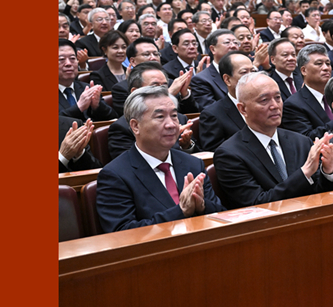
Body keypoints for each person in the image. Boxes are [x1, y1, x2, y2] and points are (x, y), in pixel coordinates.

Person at [96, 86, 224, 232]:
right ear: (135, 126)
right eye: (160, 117)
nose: (171, 124)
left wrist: (202, 207)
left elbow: (220, 214)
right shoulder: (115, 175)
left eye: (174, 116)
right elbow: (122, 232)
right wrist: (181, 211)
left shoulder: (193, 164)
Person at [213, 72, 333, 209]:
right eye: (264, 100)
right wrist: (304, 173)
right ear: (243, 109)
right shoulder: (229, 154)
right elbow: (255, 204)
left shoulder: (301, 142)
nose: (275, 105)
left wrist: (328, 172)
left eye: (278, 97)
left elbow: (321, 193)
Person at [107, 62, 198, 160]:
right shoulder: (122, 127)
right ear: (135, 92)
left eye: (164, 86)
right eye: (155, 87)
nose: (162, 92)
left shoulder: (179, 118)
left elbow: (200, 158)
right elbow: (128, 166)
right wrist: (171, 142)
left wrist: (186, 146)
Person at [198, 52, 255, 151]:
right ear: (227, 79)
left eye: (253, 71)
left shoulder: (267, 105)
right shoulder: (212, 115)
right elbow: (217, 153)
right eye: (244, 72)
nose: (251, 77)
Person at [281, 44, 333, 138]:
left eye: (328, 63)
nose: (326, 68)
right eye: (319, 64)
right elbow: (306, 138)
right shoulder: (293, 105)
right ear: (303, 70)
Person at [58, 39, 117, 122]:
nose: (68, 63)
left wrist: (97, 106)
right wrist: (78, 107)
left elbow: (112, 117)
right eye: (61, 59)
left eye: (72, 58)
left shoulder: (87, 88)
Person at [190, 29, 239, 110]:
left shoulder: (247, 72)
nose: (233, 46)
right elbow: (212, 112)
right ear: (213, 49)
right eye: (227, 42)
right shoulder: (201, 80)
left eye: (236, 42)